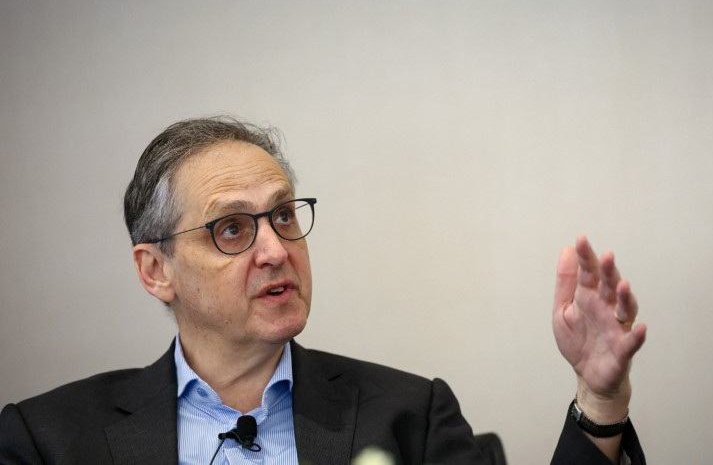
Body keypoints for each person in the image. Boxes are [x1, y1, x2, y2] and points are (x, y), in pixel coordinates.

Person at [0, 116, 647, 464]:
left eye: (283, 215)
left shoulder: (408, 415)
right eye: (232, 228)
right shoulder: (49, 437)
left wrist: (600, 395)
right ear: (155, 269)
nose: (277, 248)